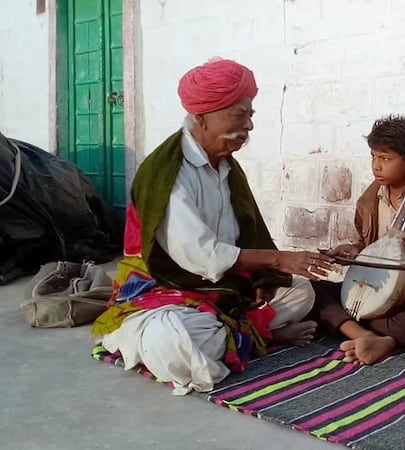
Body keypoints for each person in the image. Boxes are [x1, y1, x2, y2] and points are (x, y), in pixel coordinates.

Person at [91, 58, 334, 395]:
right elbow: (199, 255)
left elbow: (244, 235)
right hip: (165, 289)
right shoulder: (167, 173)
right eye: (239, 114)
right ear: (202, 117)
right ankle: (259, 334)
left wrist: (264, 277)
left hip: (225, 289)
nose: (249, 125)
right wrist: (276, 260)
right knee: (174, 343)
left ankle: (238, 333)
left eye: (250, 115)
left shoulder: (226, 167)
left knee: (301, 291)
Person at [311, 115, 405, 365]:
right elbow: (369, 246)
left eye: (385, 158)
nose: (376, 166)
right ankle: (365, 335)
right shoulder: (369, 201)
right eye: (373, 156)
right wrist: (352, 251)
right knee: (315, 290)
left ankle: (379, 339)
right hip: (372, 287)